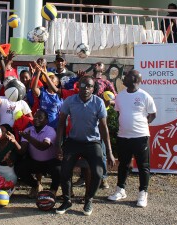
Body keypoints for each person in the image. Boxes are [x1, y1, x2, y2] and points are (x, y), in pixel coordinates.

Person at [56, 75, 115, 216]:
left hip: (92, 142)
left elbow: (104, 128)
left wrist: (110, 152)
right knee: (64, 170)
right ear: (78, 87)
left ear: (93, 88)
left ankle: (88, 199)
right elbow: (61, 124)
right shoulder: (70, 101)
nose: (85, 89)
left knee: (98, 173)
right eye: (82, 86)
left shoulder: (98, 102)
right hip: (74, 141)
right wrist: (59, 145)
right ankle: (67, 200)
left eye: (89, 86)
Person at [108, 70, 156, 208]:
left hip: (140, 137)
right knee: (123, 164)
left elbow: (152, 114)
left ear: (135, 79)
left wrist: (140, 125)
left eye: (127, 75)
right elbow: (119, 113)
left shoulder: (144, 95)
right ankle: (120, 190)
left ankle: (142, 193)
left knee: (143, 166)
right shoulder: (120, 96)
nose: (124, 77)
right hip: (123, 136)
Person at [15, 110, 61, 198]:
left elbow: (43, 147)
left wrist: (29, 138)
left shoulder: (50, 131)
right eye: (35, 117)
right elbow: (22, 151)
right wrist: (14, 142)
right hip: (35, 161)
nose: (36, 119)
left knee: (59, 169)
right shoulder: (28, 130)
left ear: (46, 120)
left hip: (50, 162)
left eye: (40, 117)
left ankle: (53, 190)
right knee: (19, 168)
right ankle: (36, 186)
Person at [31, 62, 63, 130]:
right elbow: (34, 88)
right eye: (48, 78)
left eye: (52, 79)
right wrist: (38, 73)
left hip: (54, 126)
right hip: (41, 127)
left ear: (57, 83)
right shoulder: (43, 93)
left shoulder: (60, 95)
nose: (50, 80)